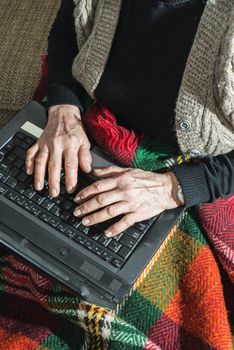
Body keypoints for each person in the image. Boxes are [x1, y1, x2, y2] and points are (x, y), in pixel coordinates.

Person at [21, 0, 233, 348]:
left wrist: (173, 188)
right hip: (90, 125)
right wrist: (62, 108)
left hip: (195, 170)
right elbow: (67, 34)